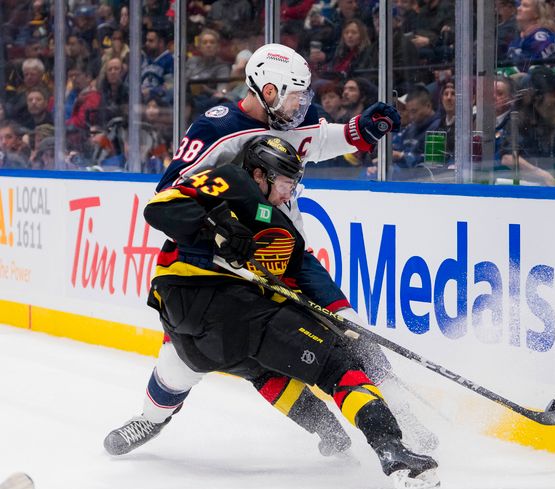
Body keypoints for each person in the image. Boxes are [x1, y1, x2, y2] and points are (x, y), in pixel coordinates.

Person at [104, 137, 440, 489]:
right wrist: (215, 224)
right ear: (259, 174)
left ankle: (325, 429)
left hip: (188, 327)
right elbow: (160, 209)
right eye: (283, 184)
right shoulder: (232, 181)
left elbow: (307, 278)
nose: (287, 195)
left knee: (254, 364)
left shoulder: (283, 231)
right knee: (335, 367)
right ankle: (394, 451)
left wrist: (343, 316)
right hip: (217, 303)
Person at [152, 43, 437, 456]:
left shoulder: (282, 123)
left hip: (288, 255)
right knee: (187, 360)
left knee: (354, 331)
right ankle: (151, 416)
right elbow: (170, 194)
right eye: (294, 96)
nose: (300, 106)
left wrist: (361, 131)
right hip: (229, 269)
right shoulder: (215, 129)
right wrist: (221, 227)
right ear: (267, 90)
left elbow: (315, 141)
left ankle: (406, 419)